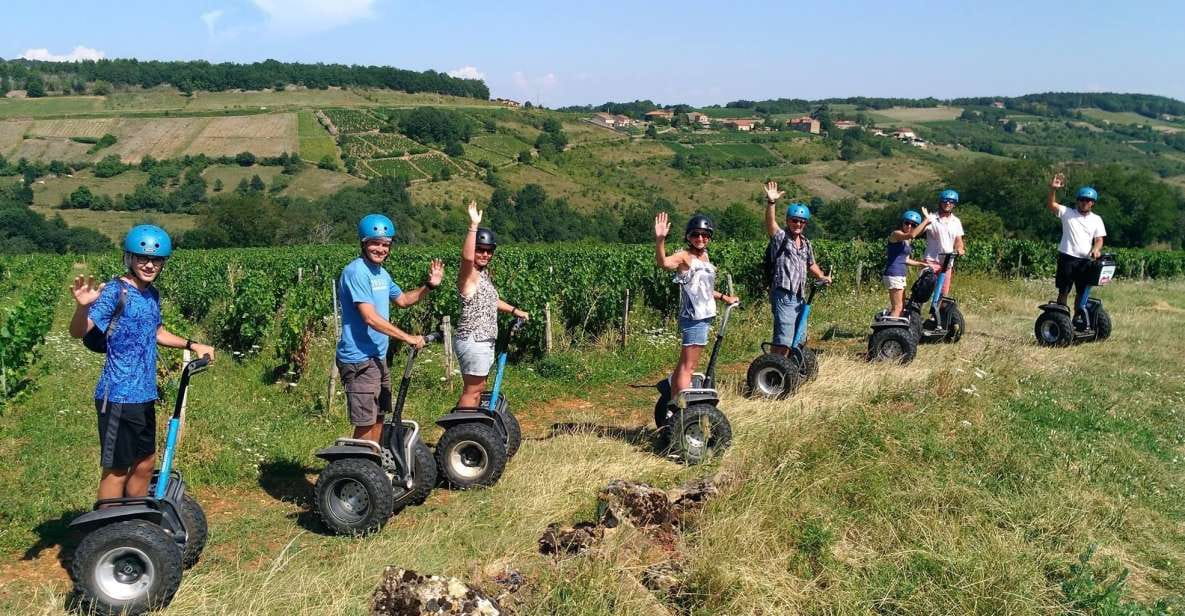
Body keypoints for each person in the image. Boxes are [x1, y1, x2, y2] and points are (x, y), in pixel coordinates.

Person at [69, 225, 216, 501]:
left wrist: (192, 344)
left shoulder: (152, 294)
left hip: (145, 394)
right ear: (129, 258)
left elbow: (157, 332)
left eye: (156, 260)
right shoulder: (115, 291)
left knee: (145, 464)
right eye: (142, 258)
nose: (149, 265)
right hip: (119, 395)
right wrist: (83, 307)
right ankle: (110, 524)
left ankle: (136, 519)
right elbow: (79, 331)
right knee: (116, 470)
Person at [337, 214, 443, 443]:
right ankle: (358, 463)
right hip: (359, 359)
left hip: (377, 357)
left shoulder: (381, 273)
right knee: (365, 422)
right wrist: (407, 337)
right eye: (375, 243)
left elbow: (403, 300)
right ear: (363, 243)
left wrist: (429, 286)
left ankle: (372, 461)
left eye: (385, 244)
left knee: (378, 417)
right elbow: (370, 318)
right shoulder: (356, 272)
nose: (380, 249)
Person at [654, 212, 739, 402]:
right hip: (694, 317)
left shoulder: (705, 257)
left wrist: (725, 297)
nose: (700, 238)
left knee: (686, 364)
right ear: (688, 237)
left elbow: (703, 289)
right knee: (689, 367)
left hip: (705, 316)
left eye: (705, 234)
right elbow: (663, 263)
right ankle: (681, 409)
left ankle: (673, 397)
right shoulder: (684, 257)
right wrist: (660, 240)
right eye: (695, 234)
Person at [454, 200, 530, 409]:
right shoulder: (468, 275)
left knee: (478, 389)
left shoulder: (482, 275)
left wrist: (515, 310)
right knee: (473, 390)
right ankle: (465, 426)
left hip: (484, 339)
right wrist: (473, 226)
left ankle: (471, 423)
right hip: (473, 339)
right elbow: (466, 259)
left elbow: (490, 301)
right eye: (480, 249)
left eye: (489, 250)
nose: (485, 254)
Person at [761, 181, 831, 355]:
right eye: (794, 220)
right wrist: (771, 202)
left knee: (799, 338)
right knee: (784, 339)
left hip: (800, 296)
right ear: (787, 220)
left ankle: (789, 367)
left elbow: (811, 264)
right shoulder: (781, 238)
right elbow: (770, 224)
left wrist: (822, 276)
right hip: (783, 294)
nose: (797, 224)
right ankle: (775, 366)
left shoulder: (806, 243)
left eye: (801, 221)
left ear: (805, 223)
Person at [1046, 173, 1106, 308]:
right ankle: (1061, 316)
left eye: (1088, 200)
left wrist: (1096, 249)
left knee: (1082, 292)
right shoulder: (1067, 212)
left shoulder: (1096, 219)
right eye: (1082, 200)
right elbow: (1051, 205)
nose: (1085, 203)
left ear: (1093, 203)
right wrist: (1053, 189)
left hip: (1085, 260)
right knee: (1064, 291)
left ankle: (1078, 317)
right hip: (1067, 258)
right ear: (1078, 201)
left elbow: (1099, 239)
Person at [883, 209, 932, 317]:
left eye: (913, 225)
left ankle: (893, 325)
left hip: (900, 274)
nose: (909, 226)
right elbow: (912, 235)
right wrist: (926, 220)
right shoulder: (896, 234)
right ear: (902, 223)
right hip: (894, 274)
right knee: (898, 308)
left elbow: (905, 259)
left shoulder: (907, 241)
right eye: (907, 223)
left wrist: (921, 264)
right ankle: (891, 327)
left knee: (901, 307)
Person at [922, 189, 965, 296]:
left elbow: (958, 240)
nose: (948, 203)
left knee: (942, 294)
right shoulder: (932, 218)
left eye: (951, 201)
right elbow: (917, 233)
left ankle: (937, 308)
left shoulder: (956, 221)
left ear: (954, 204)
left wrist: (960, 248)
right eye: (945, 200)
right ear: (940, 202)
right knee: (923, 291)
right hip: (931, 261)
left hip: (947, 263)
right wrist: (925, 220)